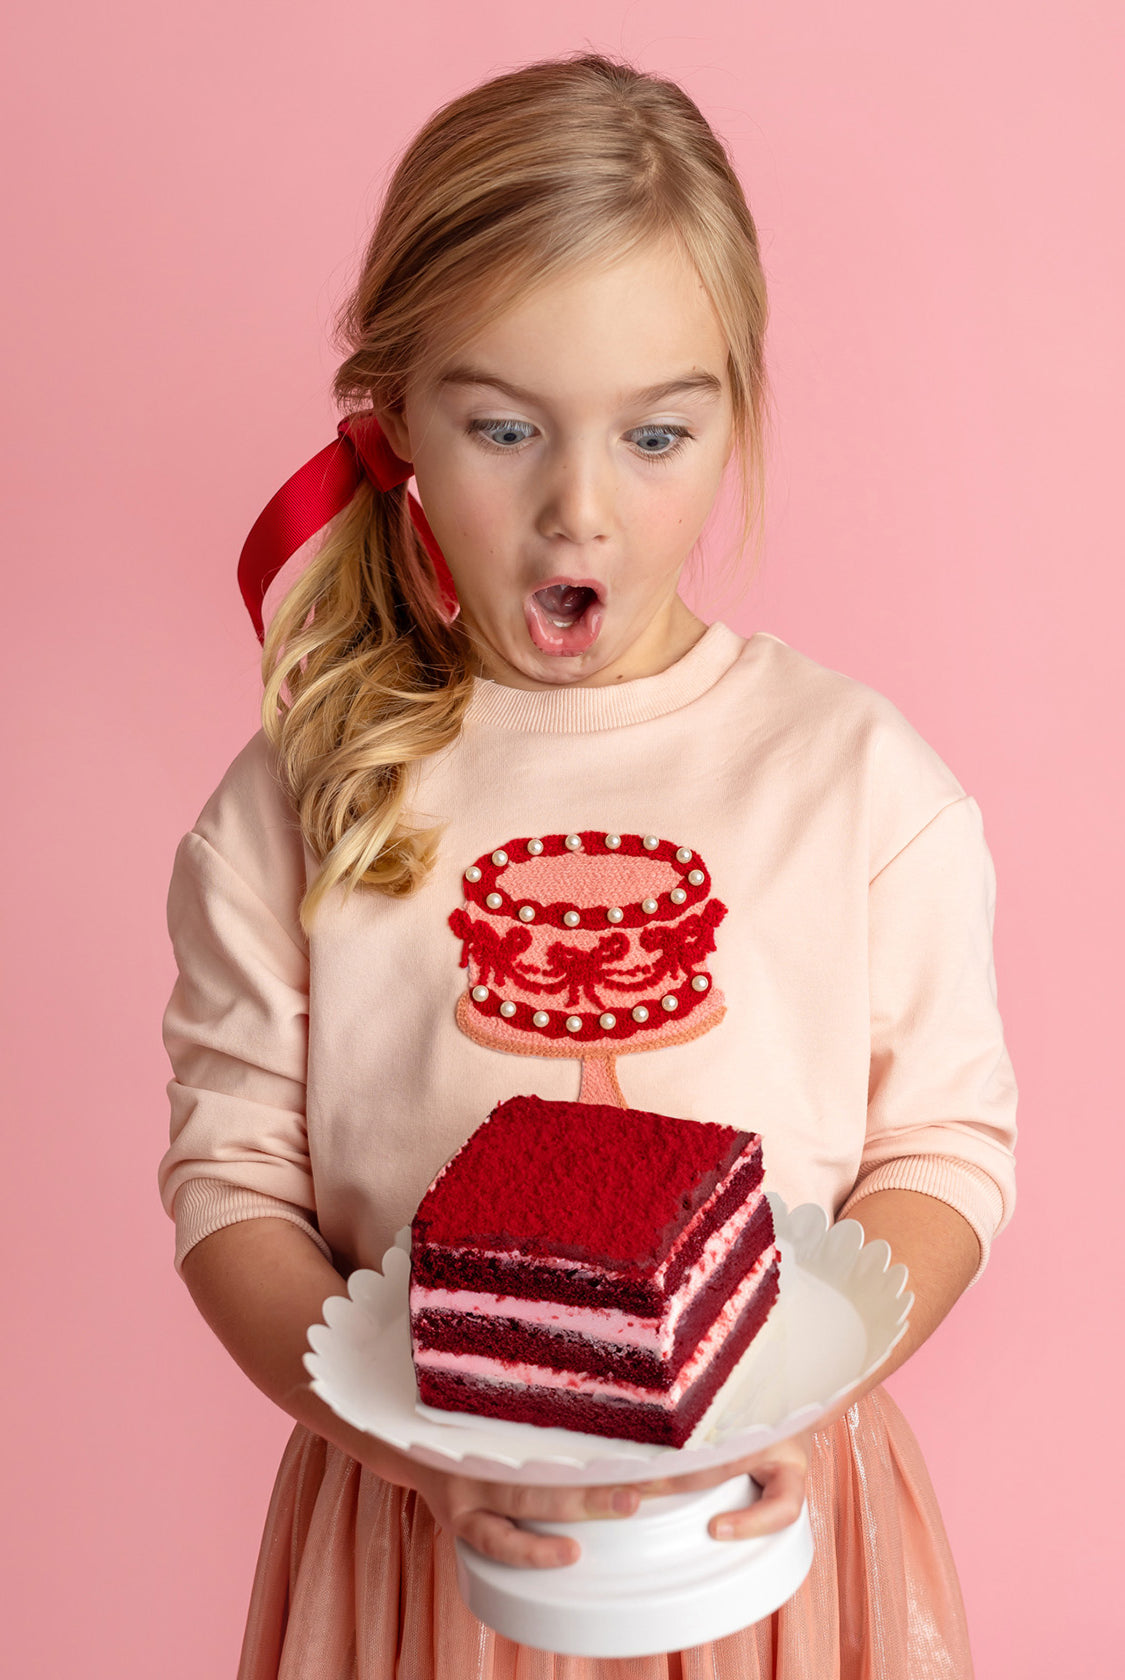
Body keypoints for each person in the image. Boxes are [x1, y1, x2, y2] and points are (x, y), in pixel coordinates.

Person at [157, 50, 1017, 1680]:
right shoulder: (301, 794)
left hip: (774, 1526)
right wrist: (417, 1457)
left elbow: (945, 1147)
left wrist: (810, 1395)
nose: (579, 513)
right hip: (421, 1547)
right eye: (501, 427)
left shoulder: (853, 780)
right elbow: (233, 1191)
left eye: (655, 435)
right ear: (396, 416)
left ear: (735, 407)